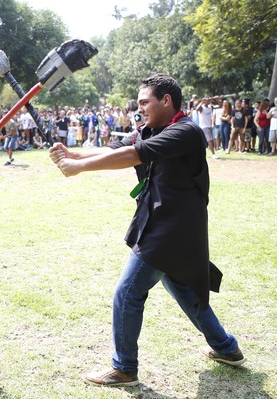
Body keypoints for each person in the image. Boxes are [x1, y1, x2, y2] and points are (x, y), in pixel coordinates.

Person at [49, 74, 245, 387]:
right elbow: (118, 146)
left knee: (128, 292)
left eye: (144, 102)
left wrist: (79, 167)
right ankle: (227, 348)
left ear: (166, 100)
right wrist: (75, 155)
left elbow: (133, 155)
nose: (139, 108)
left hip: (171, 230)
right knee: (185, 290)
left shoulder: (186, 132)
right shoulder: (153, 129)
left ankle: (124, 367)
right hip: (166, 225)